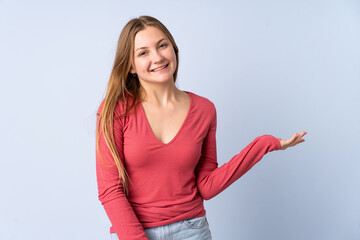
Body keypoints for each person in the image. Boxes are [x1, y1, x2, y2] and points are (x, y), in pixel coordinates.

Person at [95, 15, 307, 240]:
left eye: (162, 45)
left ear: (174, 50)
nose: (157, 57)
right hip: (135, 232)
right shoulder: (115, 110)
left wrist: (263, 144)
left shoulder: (204, 110)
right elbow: (110, 191)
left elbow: (206, 186)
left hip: (192, 230)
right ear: (130, 66)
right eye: (143, 52)